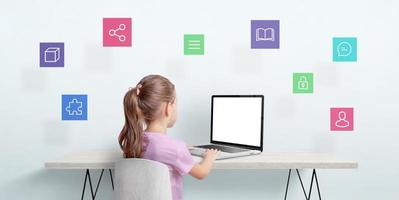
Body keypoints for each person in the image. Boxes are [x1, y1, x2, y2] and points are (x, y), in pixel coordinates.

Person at [118, 74, 219, 200]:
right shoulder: (175, 149)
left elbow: (160, 150)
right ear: (168, 108)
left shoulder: (135, 140)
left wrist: (182, 150)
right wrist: (210, 157)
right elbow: (201, 173)